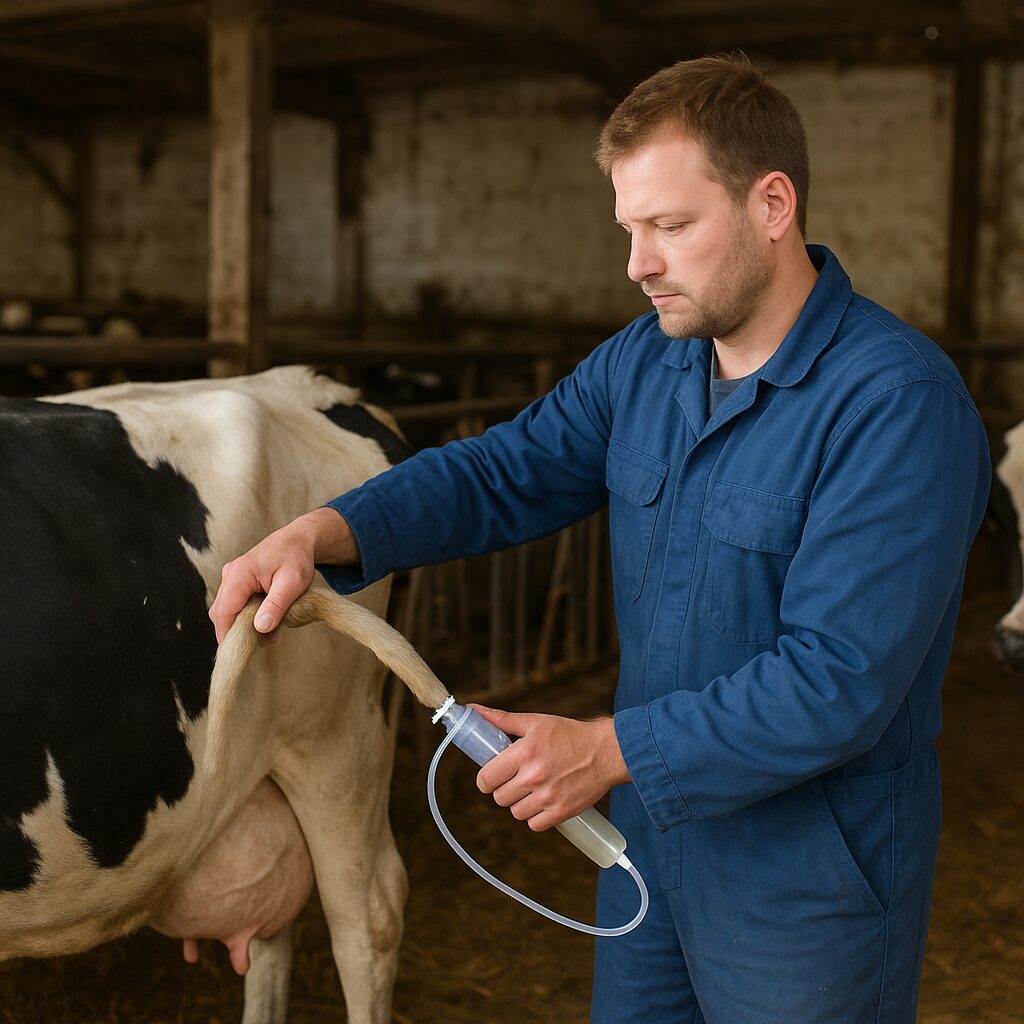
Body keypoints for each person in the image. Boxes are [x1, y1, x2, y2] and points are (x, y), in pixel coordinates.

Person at [211, 54, 990, 1024]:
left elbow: (836, 681)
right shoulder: (648, 362)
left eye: (669, 226)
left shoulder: (893, 405)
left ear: (773, 204)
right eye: (629, 229)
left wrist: (608, 748)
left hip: (807, 877)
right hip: (650, 851)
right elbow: (505, 469)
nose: (637, 264)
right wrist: (327, 530)